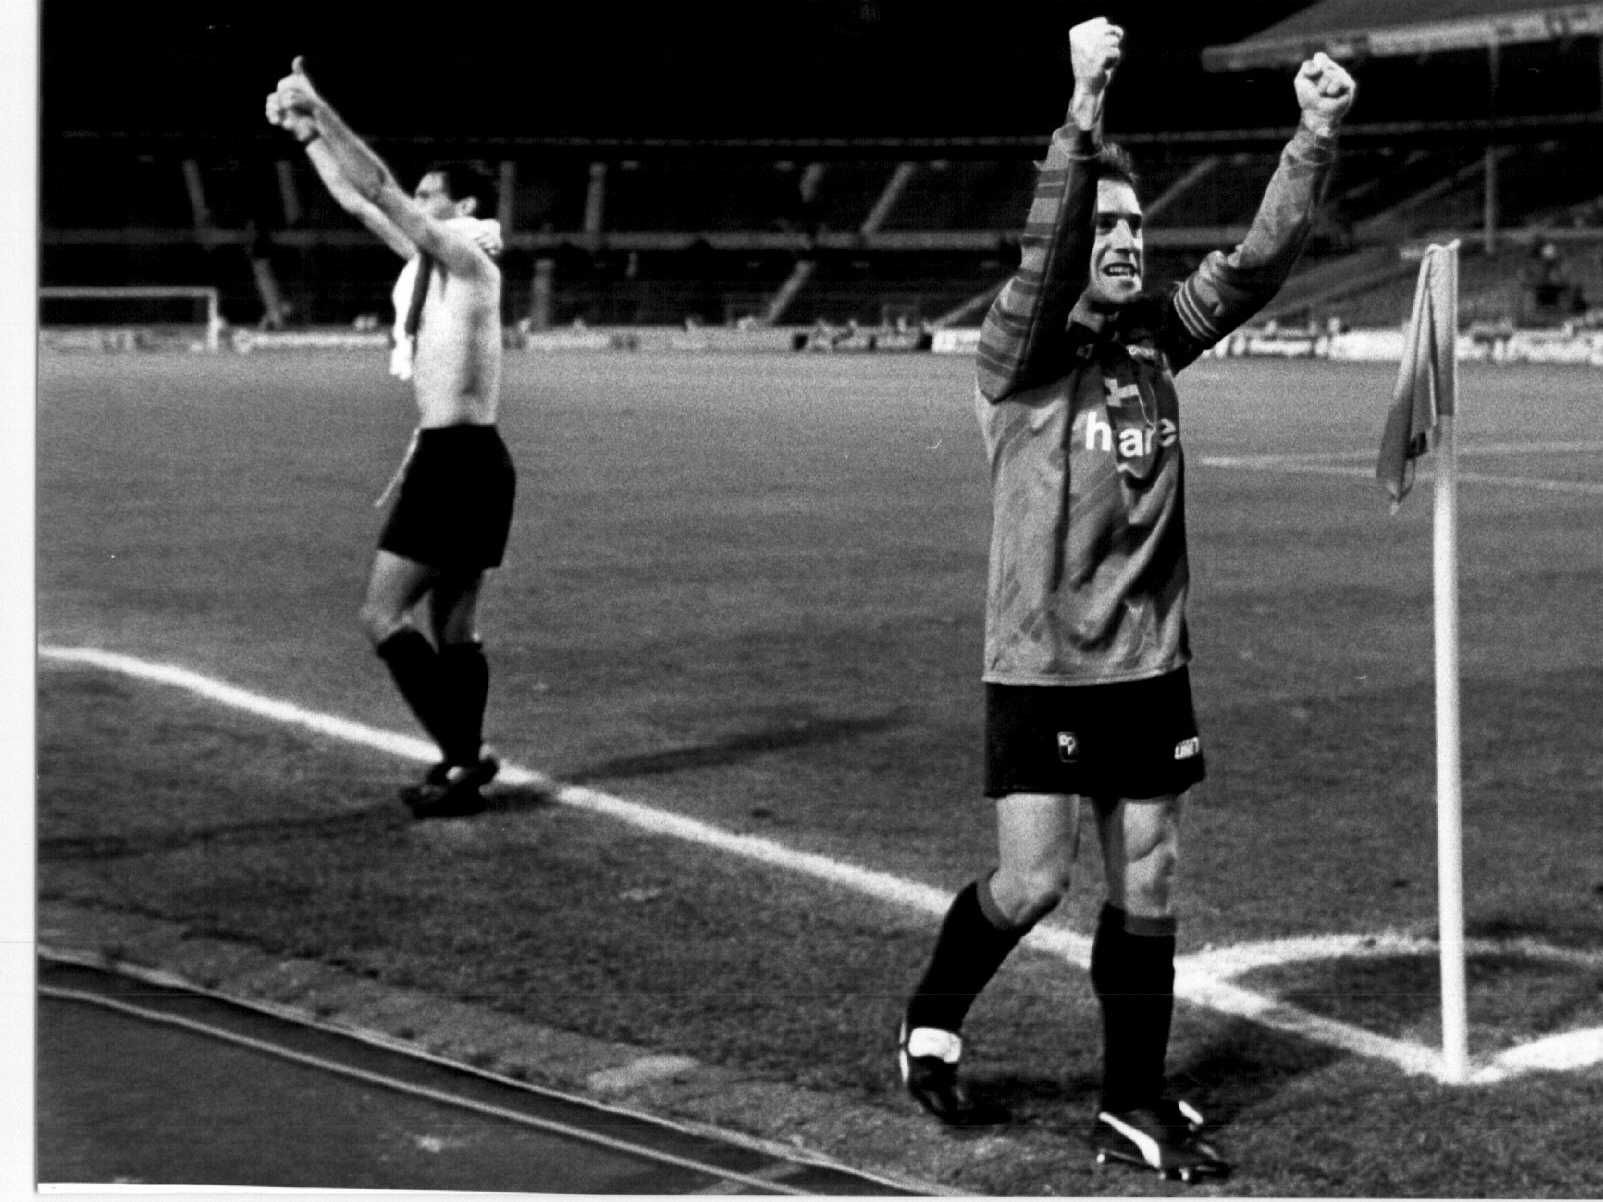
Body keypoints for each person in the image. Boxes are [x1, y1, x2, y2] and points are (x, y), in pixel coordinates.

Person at [897, 18, 1354, 1183]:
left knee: (1149, 870)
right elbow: (1047, 255)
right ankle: (931, 1018)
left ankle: (1129, 1100)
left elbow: (1253, 266)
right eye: (1103, 225)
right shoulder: (1017, 356)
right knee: (1034, 880)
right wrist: (1082, 111)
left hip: (1146, 657)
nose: (1122, 240)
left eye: (1134, 226)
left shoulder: (1154, 339)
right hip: (1043, 658)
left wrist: (1312, 135)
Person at [266, 59, 516, 819]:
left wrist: (322, 108)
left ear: (463, 206)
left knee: (383, 616)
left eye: (430, 194)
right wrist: (308, 137)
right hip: (472, 458)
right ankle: (462, 764)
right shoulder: (434, 264)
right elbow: (356, 199)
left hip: (456, 461)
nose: (418, 201)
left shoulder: (467, 262)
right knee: (454, 626)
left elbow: (377, 188)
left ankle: (464, 758)